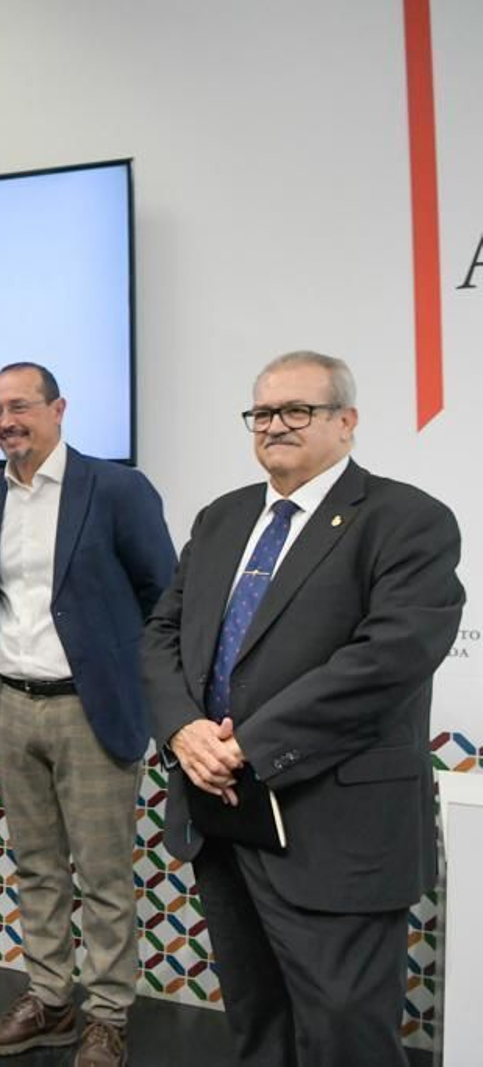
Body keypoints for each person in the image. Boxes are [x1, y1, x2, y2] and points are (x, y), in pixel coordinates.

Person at [142, 351, 464, 1066]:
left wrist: (245, 743)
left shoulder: (408, 519)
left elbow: (387, 660)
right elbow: (163, 632)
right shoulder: (222, 518)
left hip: (335, 826)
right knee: (259, 1021)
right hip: (220, 813)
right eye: (262, 412)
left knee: (345, 1031)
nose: (275, 425)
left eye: (298, 410)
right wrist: (184, 729)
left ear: (346, 423)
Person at [0, 363, 176, 1067]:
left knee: (106, 874)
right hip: (13, 705)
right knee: (35, 868)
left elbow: (163, 599)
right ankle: (51, 1000)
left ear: (59, 408)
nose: (4, 421)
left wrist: (145, 692)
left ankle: (108, 1013)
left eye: (19, 406)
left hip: (91, 709)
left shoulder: (116, 488)